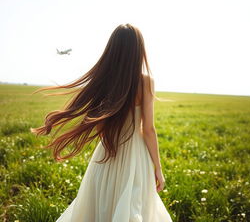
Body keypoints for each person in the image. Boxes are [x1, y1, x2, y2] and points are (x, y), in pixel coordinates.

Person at [30, 23, 173, 222]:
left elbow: (99, 123)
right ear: (138, 49)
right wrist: (158, 168)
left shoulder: (105, 79)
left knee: (100, 207)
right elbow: (148, 129)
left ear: (112, 49)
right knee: (133, 207)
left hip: (107, 151)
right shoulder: (145, 81)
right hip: (135, 155)